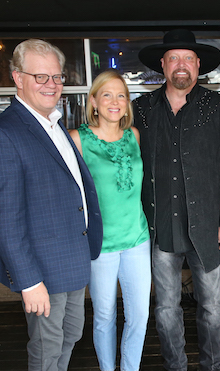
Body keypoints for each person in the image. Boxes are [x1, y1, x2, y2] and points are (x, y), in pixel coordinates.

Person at [0, 39, 103, 370]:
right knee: (47, 348)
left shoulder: (53, 122)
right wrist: (30, 282)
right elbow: (4, 220)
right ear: (18, 77)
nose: (52, 85)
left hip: (72, 262)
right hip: (43, 272)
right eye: (41, 77)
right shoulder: (3, 134)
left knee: (70, 336)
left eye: (57, 77)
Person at [132, 29, 220, 371]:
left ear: (199, 66)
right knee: (166, 309)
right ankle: (175, 365)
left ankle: (213, 365)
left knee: (212, 307)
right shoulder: (141, 109)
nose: (182, 65)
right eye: (174, 58)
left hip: (207, 227)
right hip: (160, 227)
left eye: (188, 59)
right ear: (163, 65)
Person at [69, 70, 150, 371]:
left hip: (137, 239)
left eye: (121, 96)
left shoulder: (134, 136)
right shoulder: (78, 139)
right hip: (101, 243)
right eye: (107, 94)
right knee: (104, 315)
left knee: (139, 314)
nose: (114, 102)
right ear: (93, 101)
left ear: (127, 103)